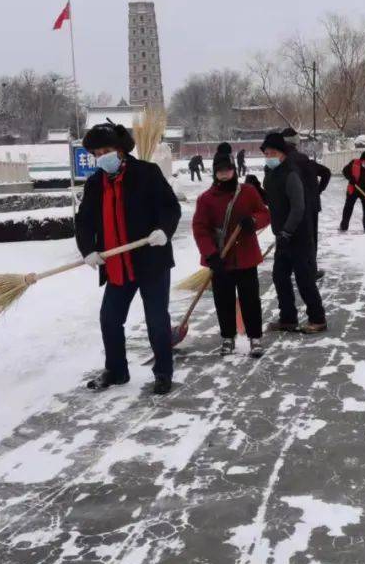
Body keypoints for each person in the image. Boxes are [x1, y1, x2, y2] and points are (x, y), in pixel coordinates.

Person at [75, 121, 181, 395]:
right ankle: (117, 370)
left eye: (106, 150)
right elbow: (84, 221)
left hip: (151, 261)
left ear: (121, 150)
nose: (102, 157)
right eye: (97, 153)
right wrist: (87, 249)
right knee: (109, 318)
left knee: (157, 319)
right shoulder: (95, 183)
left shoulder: (147, 173)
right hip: (117, 265)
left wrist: (163, 231)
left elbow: (170, 207)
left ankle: (163, 373)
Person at [191, 155, 270, 358]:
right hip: (220, 259)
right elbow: (200, 229)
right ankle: (228, 337)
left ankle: (255, 338)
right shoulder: (206, 199)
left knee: (250, 300)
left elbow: (264, 213)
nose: (224, 174)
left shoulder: (247, 192)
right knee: (223, 300)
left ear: (234, 170)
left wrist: (253, 221)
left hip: (245, 257)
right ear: (215, 173)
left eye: (228, 170)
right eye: (220, 171)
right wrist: (210, 255)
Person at [260, 132, 327, 333]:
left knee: (304, 278)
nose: (268, 156)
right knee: (279, 277)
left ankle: (318, 319)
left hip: (298, 236)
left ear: (281, 153)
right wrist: (256, 189)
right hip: (282, 236)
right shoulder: (271, 175)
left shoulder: (291, 174)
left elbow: (298, 207)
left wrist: (288, 232)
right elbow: (272, 202)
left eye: (271, 152)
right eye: (265, 153)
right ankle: (288, 318)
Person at [279, 127, 330, 279]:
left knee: (288, 236)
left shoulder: (282, 161)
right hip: (310, 206)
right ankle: (311, 270)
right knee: (310, 238)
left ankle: (289, 269)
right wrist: (318, 190)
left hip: (290, 207)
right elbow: (326, 172)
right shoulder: (305, 160)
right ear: (296, 142)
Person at [340, 151, 365, 233]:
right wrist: (351, 178)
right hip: (354, 188)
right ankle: (343, 226)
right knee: (348, 207)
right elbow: (345, 171)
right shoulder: (354, 163)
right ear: (362, 160)